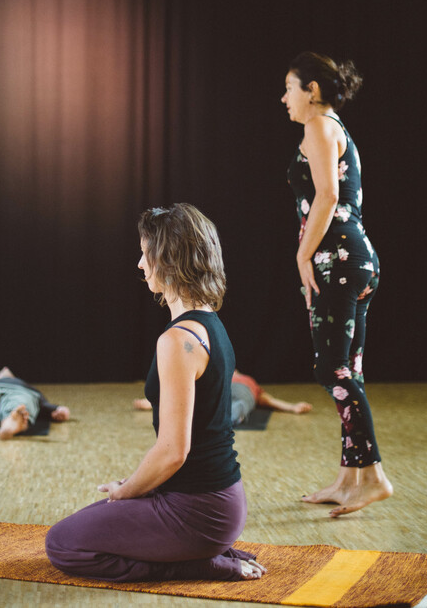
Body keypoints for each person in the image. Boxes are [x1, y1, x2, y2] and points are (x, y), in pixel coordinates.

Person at [46, 203, 265, 583]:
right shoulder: (210, 324)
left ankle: (196, 563)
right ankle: (205, 550)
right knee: (99, 512)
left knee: (62, 543)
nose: (139, 264)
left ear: (168, 258)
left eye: (145, 253)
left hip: (201, 511)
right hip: (220, 502)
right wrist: (128, 491)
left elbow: (172, 452)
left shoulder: (178, 340)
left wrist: (127, 492)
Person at [281, 52, 393, 517]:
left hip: (339, 262)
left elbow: (326, 195)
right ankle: (350, 479)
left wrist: (303, 253)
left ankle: (375, 477)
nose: (283, 97)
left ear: (312, 90)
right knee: (349, 372)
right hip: (354, 261)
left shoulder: (320, 126)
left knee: (332, 371)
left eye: (289, 87)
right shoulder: (333, 128)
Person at [133, 369, 312, 424]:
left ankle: (223, 418)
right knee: (198, 399)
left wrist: (293, 407)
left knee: (240, 404)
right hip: (219, 391)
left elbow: (270, 401)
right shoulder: (219, 374)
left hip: (240, 393)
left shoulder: (249, 381)